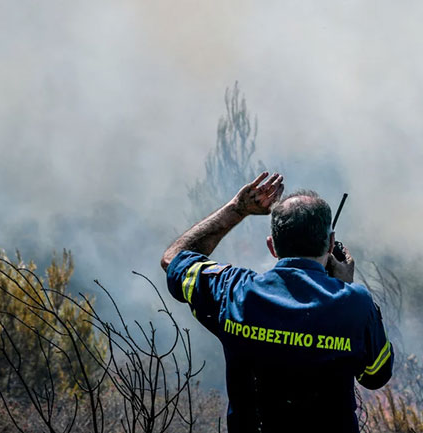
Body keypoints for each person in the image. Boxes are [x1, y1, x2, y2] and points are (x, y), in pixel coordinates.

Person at [160, 171, 393, 433]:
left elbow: (173, 259)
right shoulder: (355, 303)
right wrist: (343, 288)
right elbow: (375, 375)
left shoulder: (234, 291)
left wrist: (237, 209)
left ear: (272, 246)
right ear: (330, 244)